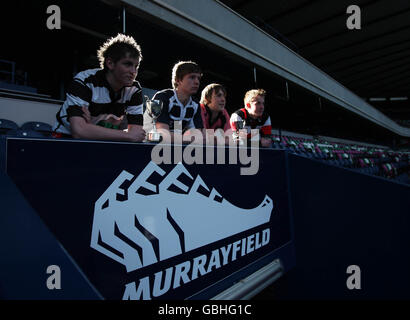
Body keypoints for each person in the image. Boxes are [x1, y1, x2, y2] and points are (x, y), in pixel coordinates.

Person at [52, 34, 146, 142]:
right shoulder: (85, 80)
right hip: (64, 140)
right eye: (127, 64)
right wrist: (127, 134)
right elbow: (79, 131)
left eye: (136, 66)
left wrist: (90, 126)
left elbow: (136, 134)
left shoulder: (134, 89)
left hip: (102, 142)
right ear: (110, 63)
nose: (133, 72)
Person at [144, 61, 203, 141]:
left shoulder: (195, 104)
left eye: (198, 78)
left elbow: (198, 134)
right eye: (192, 77)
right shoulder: (162, 97)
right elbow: (162, 133)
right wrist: (190, 138)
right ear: (178, 80)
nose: (197, 82)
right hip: (145, 144)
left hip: (172, 146)